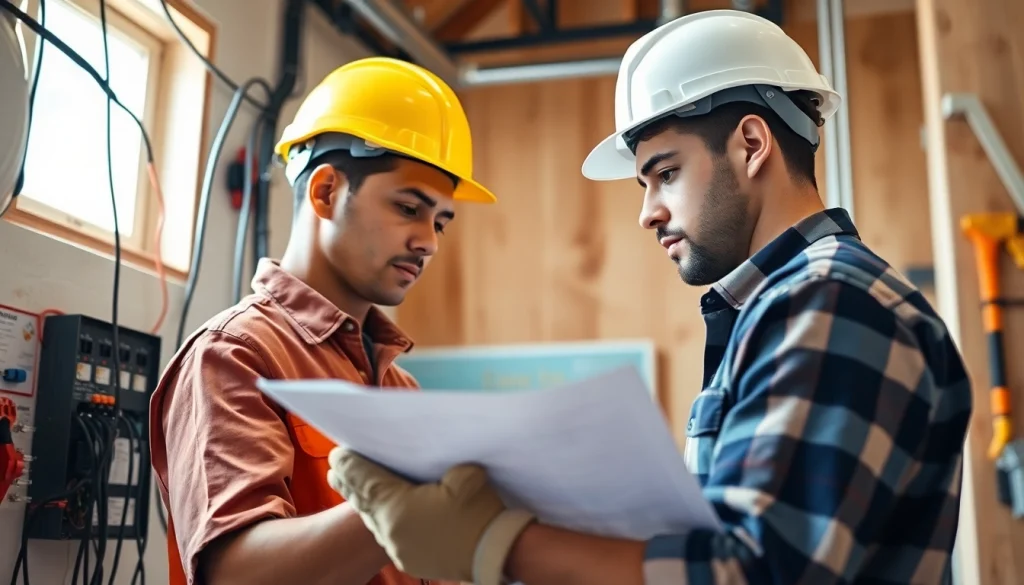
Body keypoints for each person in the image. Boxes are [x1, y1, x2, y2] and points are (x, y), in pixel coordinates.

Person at [325, 10, 973, 585]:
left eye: (666, 173)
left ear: (751, 145)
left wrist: (495, 543)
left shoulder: (828, 299)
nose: (647, 213)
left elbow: (752, 570)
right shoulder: (787, 306)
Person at [148, 56, 497, 585]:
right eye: (409, 208)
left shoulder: (401, 388)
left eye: (440, 223)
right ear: (326, 191)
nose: (428, 241)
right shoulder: (234, 356)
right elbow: (236, 574)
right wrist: (401, 504)